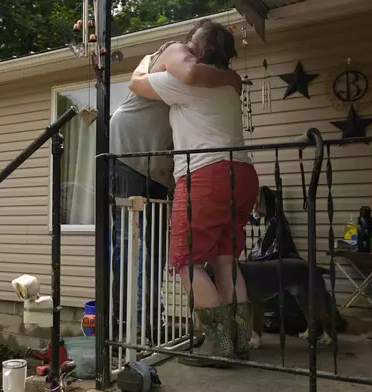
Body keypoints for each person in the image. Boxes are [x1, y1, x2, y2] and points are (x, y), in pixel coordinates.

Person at [128, 20, 259, 365]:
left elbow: (135, 84)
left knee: (185, 261)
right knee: (226, 259)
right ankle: (240, 342)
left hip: (206, 174)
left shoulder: (184, 82)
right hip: (243, 174)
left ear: (196, 51)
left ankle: (220, 347)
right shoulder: (229, 87)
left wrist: (146, 59)